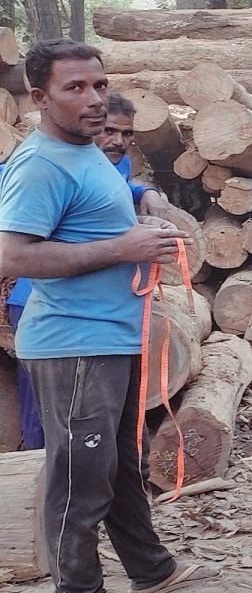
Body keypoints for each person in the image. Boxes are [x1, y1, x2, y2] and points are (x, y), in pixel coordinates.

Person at [0, 39, 218, 593]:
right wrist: (125, 248)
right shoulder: (39, 164)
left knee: (122, 462)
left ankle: (151, 569)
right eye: (76, 88)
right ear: (40, 98)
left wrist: (138, 214)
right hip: (74, 343)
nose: (94, 99)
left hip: (113, 335)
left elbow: (89, 216)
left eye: (99, 84)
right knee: (81, 470)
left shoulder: (85, 153)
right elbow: (13, 255)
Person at [2, 92, 165, 453]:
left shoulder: (111, 165)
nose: (117, 141)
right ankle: (34, 479)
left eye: (126, 133)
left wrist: (146, 190)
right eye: (108, 130)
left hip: (102, 322)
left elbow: (116, 190)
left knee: (99, 438)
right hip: (42, 304)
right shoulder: (41, 165)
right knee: (46, 418)